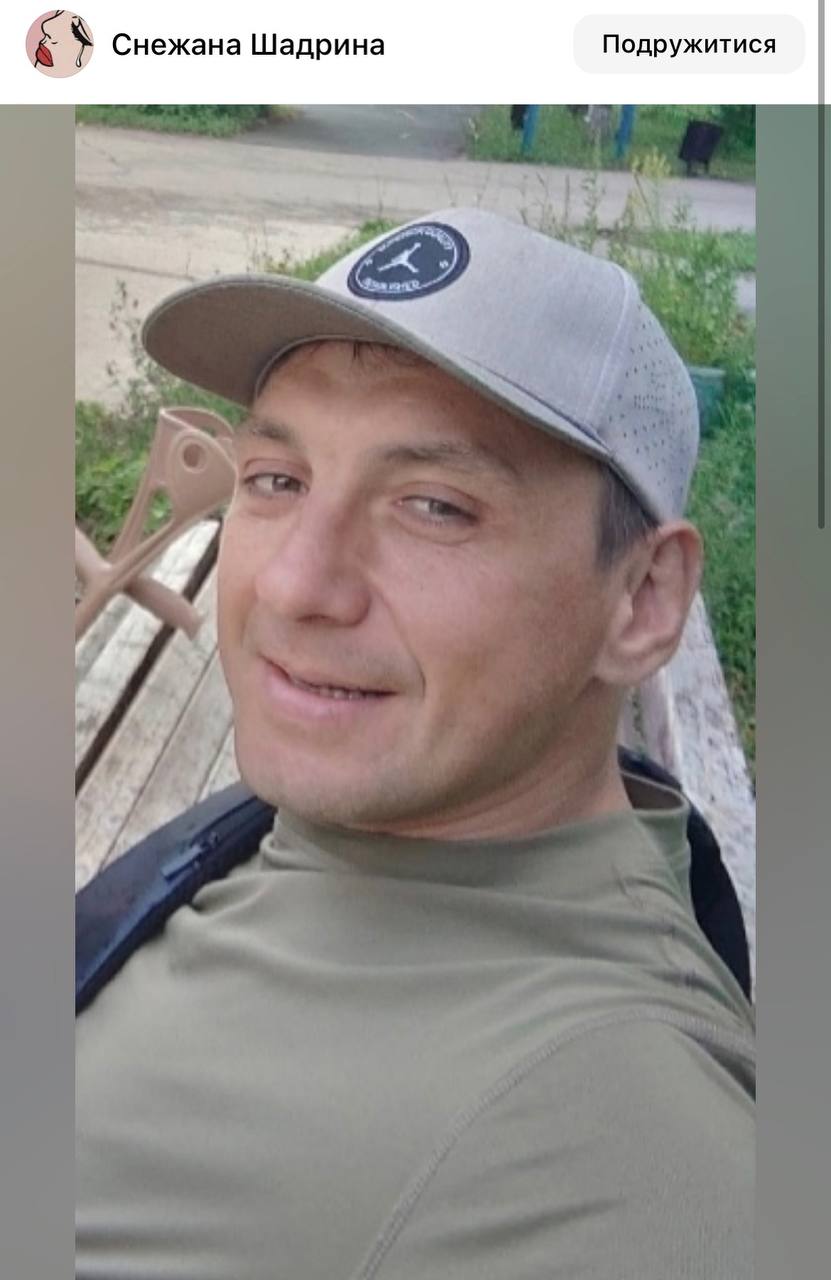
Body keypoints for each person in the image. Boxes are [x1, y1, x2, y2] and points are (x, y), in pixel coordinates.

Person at [76, 209, 754, 1279]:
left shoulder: (607, 1140)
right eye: (277, 479)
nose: (294, 584)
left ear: (642, 599)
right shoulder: (379, 811)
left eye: (433, 506)